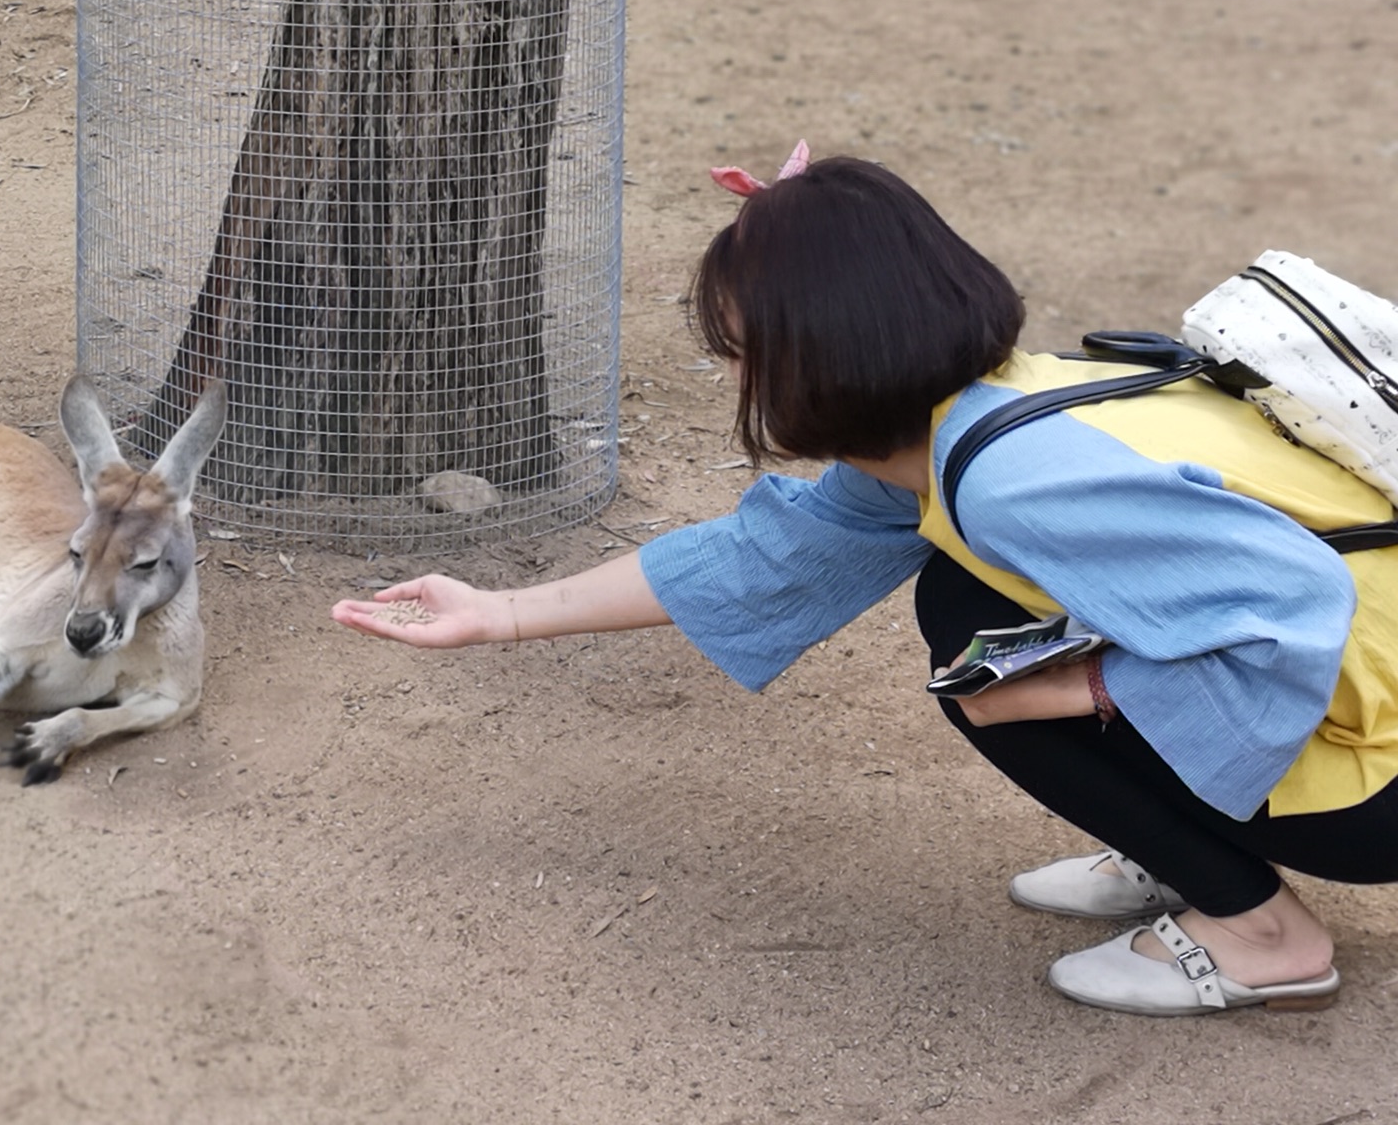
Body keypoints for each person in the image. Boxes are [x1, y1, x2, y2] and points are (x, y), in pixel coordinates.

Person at [331, 145, 1398, 1017]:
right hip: (1368, 699)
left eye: (740, 352)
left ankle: (1262, 936)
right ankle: (1190, 851)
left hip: (1380, 780)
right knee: (975, 613)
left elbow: (1293, 615)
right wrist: (498, 615)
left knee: (980, 648)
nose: (735, 376)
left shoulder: (1011, 482)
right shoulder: (975, 418)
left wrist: (1092, 690)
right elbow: (768, 557)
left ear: (816, 357)